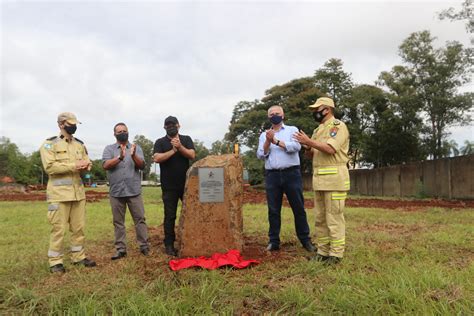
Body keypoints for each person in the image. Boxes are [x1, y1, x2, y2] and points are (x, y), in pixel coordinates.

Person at [294, 97, 350, 265]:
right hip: (319, 180)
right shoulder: (318, 130)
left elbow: (330, 149)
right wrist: (306, 147)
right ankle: (323, 251)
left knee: (334, 217)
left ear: (327, 109)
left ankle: (336, 254)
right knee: (320, 218)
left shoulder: (338, 127)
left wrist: (309, 142)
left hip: (335, 179)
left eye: (317, 109)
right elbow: (313, 152)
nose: (314, 113)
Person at [39, 112, 96, 273]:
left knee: (79, 228)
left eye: (75, 124)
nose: (74, 126)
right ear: (61, 124)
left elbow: (87, 163)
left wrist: (87, 170)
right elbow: (50, 167)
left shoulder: (79, 145)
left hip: (78, 194)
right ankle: (55, 261)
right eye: (70, 123)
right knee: (59, 229)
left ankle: (78, 257)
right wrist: (75, 165)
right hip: (59, 195)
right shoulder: (50, 144)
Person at [256, 105, 315, 253]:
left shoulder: (291, 130)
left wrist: (275, 141)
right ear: (268, 117)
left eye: (277, 113)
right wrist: (268, 141)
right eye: (271, 114)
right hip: (272, 175)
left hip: (291, 174)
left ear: (283, 115)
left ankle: (305, 240)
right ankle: (273, 241)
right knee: (273, 209)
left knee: (298, 207)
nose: (274, 115)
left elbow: (296, 147)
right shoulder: (264, 134)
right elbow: (260, 155)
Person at [102, 122, 149, 260]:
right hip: (116, 192)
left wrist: (133, 156)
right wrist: (120, 157)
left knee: (140, 219)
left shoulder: (136, 147)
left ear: (128, 132)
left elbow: (142, 166)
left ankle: (144, 246)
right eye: (119, 131)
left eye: (124, 130)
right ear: (114, 134)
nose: (122, 133)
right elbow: (105, 165)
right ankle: (121, 249)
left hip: (133, 190)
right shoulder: (109, 149)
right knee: (118, 222)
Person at [153, 116, 195, 256]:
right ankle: (169, 245)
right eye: (168, 125)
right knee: (170, 216)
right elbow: (157, 158)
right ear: (164, 127)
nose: (171, 126)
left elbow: (192, 155)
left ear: (179, 125)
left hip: (186, 186)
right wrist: (173, 150)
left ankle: (189, 240)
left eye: (173, 124)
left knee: (189, 214)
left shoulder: (186, 139)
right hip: (168, 187)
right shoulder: (160, 142)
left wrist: (180, 147)